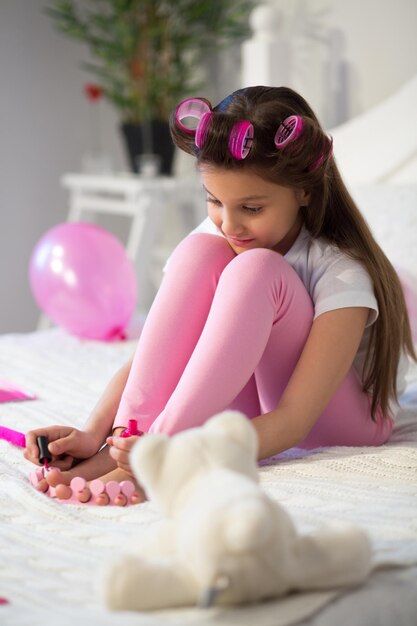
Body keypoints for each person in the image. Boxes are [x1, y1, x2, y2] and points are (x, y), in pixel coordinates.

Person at [25, 86, 416, 501]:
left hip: (340, 421)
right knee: (199, 249)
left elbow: (294, 421)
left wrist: (181, 455)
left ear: (304, 191)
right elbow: (160, 352)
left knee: (258, 270)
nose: (230, 225)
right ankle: (130, 448)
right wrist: (98, 433)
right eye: (215, 201)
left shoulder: (341, 272)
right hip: (258, 409)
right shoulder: (222, 237)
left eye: (252, 208)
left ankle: (153, 454)